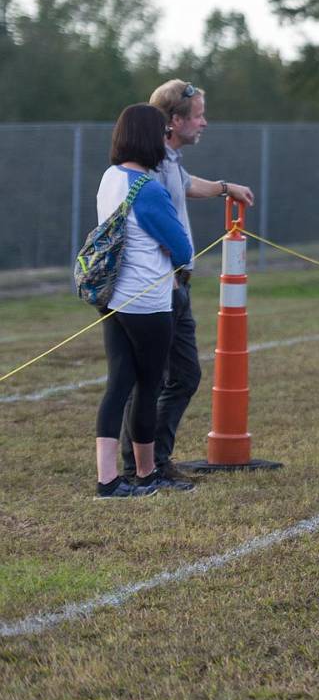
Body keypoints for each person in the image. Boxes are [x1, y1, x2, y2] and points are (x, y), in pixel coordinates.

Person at [120, 80, 254, 480]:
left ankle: (152, 461)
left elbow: (188, 184)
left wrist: (225, 188)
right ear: (174, 120)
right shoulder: (153, 163)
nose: (204, 123)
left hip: (176, 286)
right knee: (161, 378)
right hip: (163, 287)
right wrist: (175, 272)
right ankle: (144, 465)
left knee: (176, 376)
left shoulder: (170, 159)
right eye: (198, 116)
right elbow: (156, 225)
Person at [93, 105, 195, 498]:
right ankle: (147, 473)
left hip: (113, 299)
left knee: (118, 385)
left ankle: (108, 480)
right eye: (161, 133)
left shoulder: (110, 178)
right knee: (149, 387)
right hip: (148, 303)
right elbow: (183, 250)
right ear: (148, 138)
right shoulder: (149, 189)